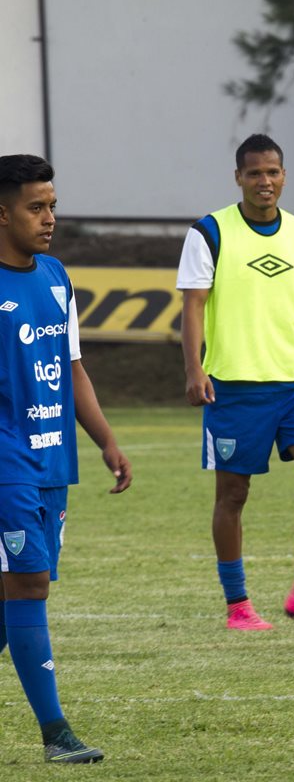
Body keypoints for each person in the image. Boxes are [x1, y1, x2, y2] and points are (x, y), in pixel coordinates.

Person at [177, 134, 294, 631]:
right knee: (232, 495)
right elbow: (193, 306)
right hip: (234, 387)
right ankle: (238, 606)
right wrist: (193, 368)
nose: (264, 182)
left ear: (284, 175)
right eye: (254, 174)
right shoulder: (210, 232)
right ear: (238, 178)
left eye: (272, 172)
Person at [0, 154, 132, 763]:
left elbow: (72, 365)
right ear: (2, 212)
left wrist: (104, 439)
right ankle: (56, 735)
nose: (50, 218)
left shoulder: (56, 276)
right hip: (6, 464)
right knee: (27, 584)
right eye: (36, 207)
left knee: (18, 590)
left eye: (53, 205)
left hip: (53, 460)